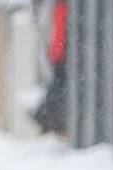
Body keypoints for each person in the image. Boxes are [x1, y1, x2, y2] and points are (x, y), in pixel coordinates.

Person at [35, 0, 68, 134]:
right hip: (60, 56)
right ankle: (49, 120)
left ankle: (48, 119)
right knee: (58, 90)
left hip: (58, 56)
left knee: (56, 89)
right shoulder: (59, 6)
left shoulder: (56, 7)